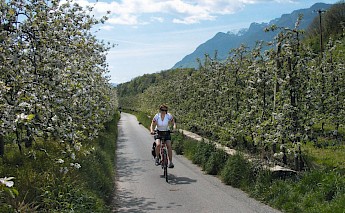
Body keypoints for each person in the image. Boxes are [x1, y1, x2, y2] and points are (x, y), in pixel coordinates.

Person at [150, 104, 176, 168]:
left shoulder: (169, 116)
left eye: (164, 110)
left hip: (166, 132)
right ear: (160, 110)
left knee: (169, 146)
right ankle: (157, 158)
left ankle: (170, 162)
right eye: (162, 110)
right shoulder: (157, 116)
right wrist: (151, 130)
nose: (163, 111)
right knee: (158, 144)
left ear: (166, 110)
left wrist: (174, 128)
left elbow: (173, 123)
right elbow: (152, 124)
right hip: (158, 132)